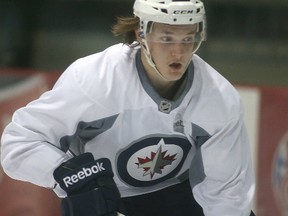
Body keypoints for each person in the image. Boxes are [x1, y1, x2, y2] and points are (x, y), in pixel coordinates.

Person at [1, 0, 256, 215]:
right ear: (141, 34)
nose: (178, 52)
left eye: (188, 38)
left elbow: (227, 196)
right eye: (166, 38)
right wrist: (70, 174)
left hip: (182, 195)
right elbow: (19, 142)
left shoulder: (218, 98)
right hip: (104, 197)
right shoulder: (94, 80)